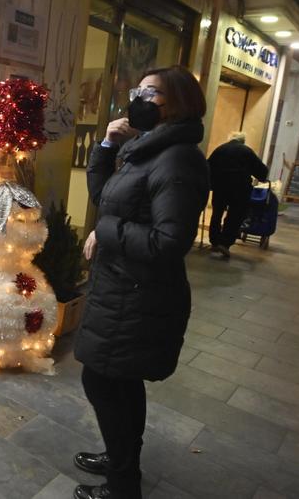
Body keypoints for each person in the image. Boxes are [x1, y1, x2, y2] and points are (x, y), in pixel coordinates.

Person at [73, 66, 210, 499]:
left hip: (138, 294)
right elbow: (105, 199)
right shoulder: (146, 149)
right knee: (118, 382)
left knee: (103, 381)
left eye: (149, 93)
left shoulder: (178, 159)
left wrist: (107, 232)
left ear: (177, 102)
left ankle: (123, 485)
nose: (139, 98)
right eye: (138, 90)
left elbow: (170, 241)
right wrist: (107, 146)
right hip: (121, 287)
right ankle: (121, 462)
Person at [206, 131, 268, 259]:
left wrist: (211, 183)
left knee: (217, 213)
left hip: (220, 187)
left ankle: (214, 241)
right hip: (240, 188)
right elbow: (261, 171)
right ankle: (225, 243)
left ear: (229, 139)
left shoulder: (220, 149)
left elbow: (208, 166)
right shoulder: (247, 151)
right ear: (243, 141)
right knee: (235, 216)